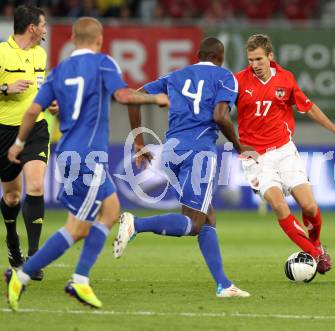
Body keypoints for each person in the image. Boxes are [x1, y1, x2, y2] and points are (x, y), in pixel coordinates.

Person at [5, 16, 169, 311]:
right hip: (87, 157)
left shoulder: (58, 70)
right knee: (76, 228)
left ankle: (74, 277)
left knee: (111, 209)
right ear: (99, 39)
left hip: (69, 153)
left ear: (71, 39)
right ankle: (29, 275)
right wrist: (155, 99)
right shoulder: (104, 64)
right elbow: (122, 95)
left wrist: (18, 143)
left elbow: (31, 111)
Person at [113, 37, 251, 298]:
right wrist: (237, 144)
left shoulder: (177, 76)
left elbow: (134, 96)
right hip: (199, 152)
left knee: (206, 217)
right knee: (195, 222)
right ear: (220, 58)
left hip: (171, 152)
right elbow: (220, 116)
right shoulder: (225, 77)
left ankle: (223, 284)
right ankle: (136, 224)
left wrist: (139, 142)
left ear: (198, 55)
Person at [235, 34, 335, 274]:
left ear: (271, 57)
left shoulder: (285, 79)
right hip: (255, 158)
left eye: (259, 59)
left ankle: (317, 244)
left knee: (310, 207)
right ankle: (315, 254)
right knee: (279, 205)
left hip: (284, 151)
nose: (255, 64)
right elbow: (218, 109)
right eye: (251, 60)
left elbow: (308, 107)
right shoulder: (238, 82)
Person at [0, 4, 57, 281]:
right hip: (4, 131)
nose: (45, 30)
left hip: (35, 127)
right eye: (43, 25)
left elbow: (39, 88)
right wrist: (4, 89)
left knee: (35, 185)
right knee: (11, 197)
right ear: (32, 27)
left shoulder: (41, 54)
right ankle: (13, 240)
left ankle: (35, 257)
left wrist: (52, 102)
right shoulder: (1, 52)